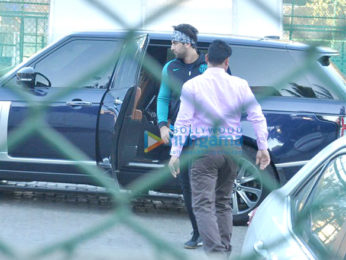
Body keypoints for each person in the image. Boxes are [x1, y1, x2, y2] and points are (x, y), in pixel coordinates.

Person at [168, 40, 270, 257]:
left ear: (206, 60)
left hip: (203, 149)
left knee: (203, 203)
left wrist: (175, 153)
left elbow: (183, 121)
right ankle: (224, 249)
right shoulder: (240, 84)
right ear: (227, 62)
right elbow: (257, 116)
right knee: (223, 202)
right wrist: (262, 147)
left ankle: (215, 252)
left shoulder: (192, 86)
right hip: (232, 148)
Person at [157, 24, 206, 249]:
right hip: (181, 135)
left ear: (186, 43)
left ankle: (212, 231)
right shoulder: (170, 67)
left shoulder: (208, 66)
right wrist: (163, 126)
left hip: (207, 137)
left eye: (174, 42)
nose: (171, 47)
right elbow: (163, 98)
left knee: (206, 186)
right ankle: (197, 232)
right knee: (187, 186)